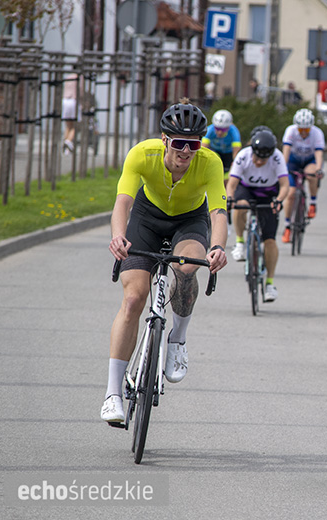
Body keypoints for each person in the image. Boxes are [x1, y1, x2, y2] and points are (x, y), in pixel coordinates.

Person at [100, 100, 228, 424]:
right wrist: (118, 236)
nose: (186, 151)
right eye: (179, 143)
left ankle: (177, 338)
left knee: (188, 267)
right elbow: (123, 202)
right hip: (147, 217)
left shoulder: (210, 163)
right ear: (164, 139)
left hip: (190, 220)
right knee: (133, 299)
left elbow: (218, 212)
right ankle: (112, 394)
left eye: (194, 144)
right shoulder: (142, 154)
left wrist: (218, 247)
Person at [227, 130, 289, 302]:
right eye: (257, 157)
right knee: (240, 206)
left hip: (269, 193)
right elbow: (232, 184)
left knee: (269, 240)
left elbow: (285, 185)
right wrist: (230, 199)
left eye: (264, 159)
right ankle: (240, 242)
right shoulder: (243, 155)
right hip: (247, 190)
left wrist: (279, 200)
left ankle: (269, 283)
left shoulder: (277, 157)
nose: (259, 162)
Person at [281, 108, 325, 242]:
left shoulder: (317, 133)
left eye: (307, 130)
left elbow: (319, 153)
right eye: (301, 130)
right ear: (297, 127)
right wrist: (282, 167)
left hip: (309, 160)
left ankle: (312, 202)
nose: (304, 132)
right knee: (290, 194)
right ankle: (287, 226)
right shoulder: (291, 130)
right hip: (294, 161)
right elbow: (286, 150)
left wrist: (318, 169)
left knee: (311, 174)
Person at [202, 109, 242, 177]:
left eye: (223, 129)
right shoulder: (210, 129)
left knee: (227, 175)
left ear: (228, 127)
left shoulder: (234, 131)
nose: (220, 132)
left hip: (228, 153)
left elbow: (236, 149)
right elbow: (203, 147)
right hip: (215, 150)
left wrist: (235, 161)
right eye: (217, 129)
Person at [62, 72, 79, 154]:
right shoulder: (79, 78)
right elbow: (81, 91)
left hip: (65, 100)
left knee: (68, 125)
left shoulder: (68, 77)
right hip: (73, 100)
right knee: (75, 126)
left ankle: (66, 146)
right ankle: (68, 141)